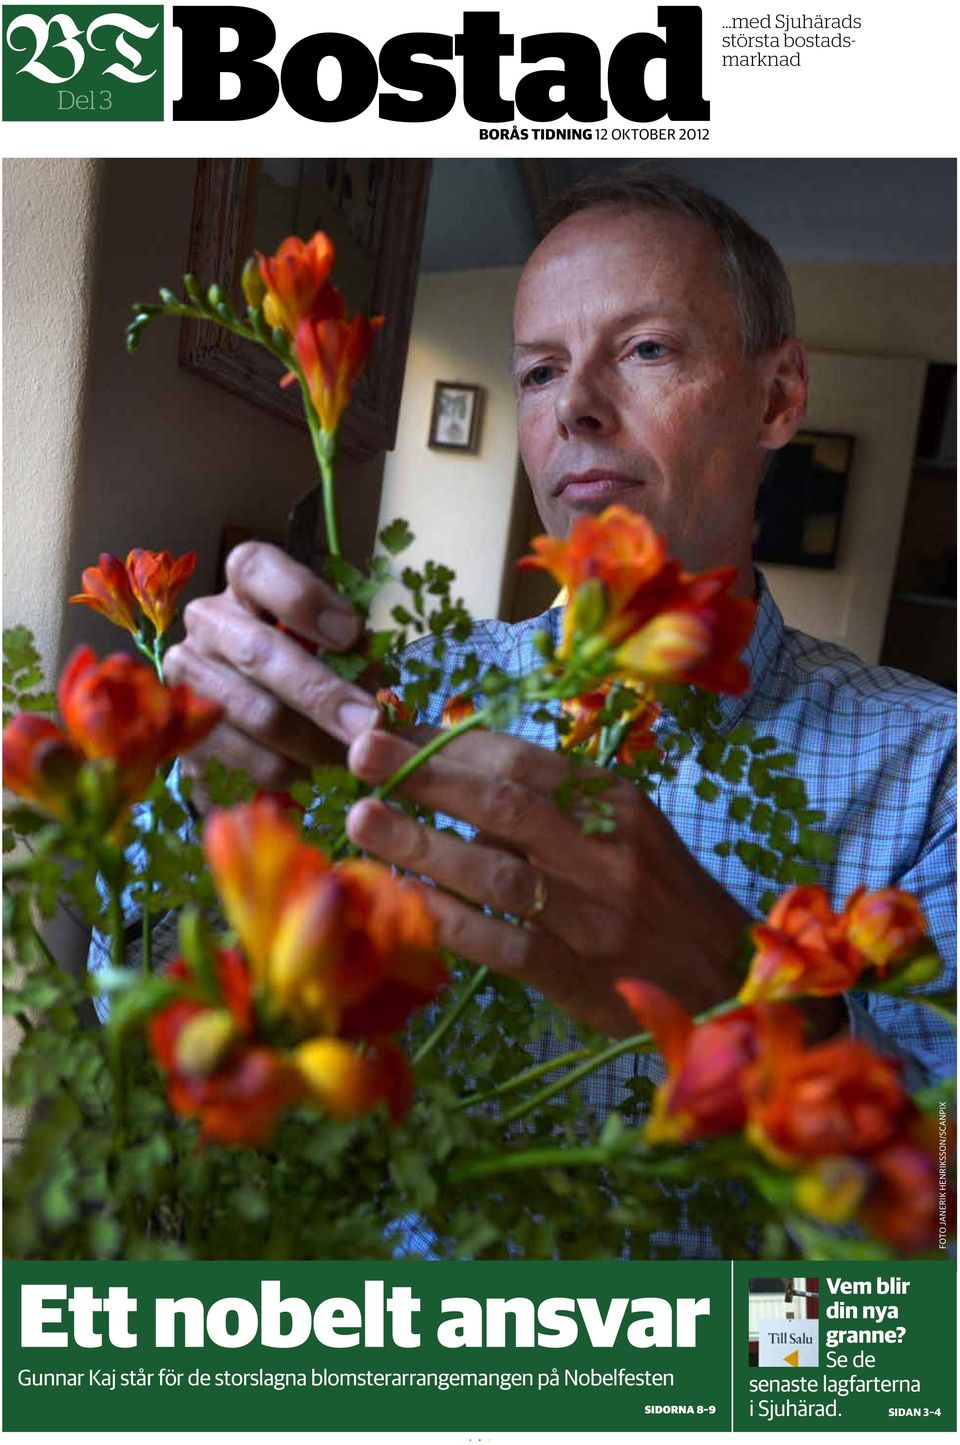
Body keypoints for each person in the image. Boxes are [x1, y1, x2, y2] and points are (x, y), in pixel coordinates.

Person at [163, 172, 956, 1126]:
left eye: (647, 349)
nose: (574, 405)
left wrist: (749, 998)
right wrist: (214, 824)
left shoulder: (934, 770)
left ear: (778, 397)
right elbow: (143, 1028)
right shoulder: (389, 705)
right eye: (539, 369)